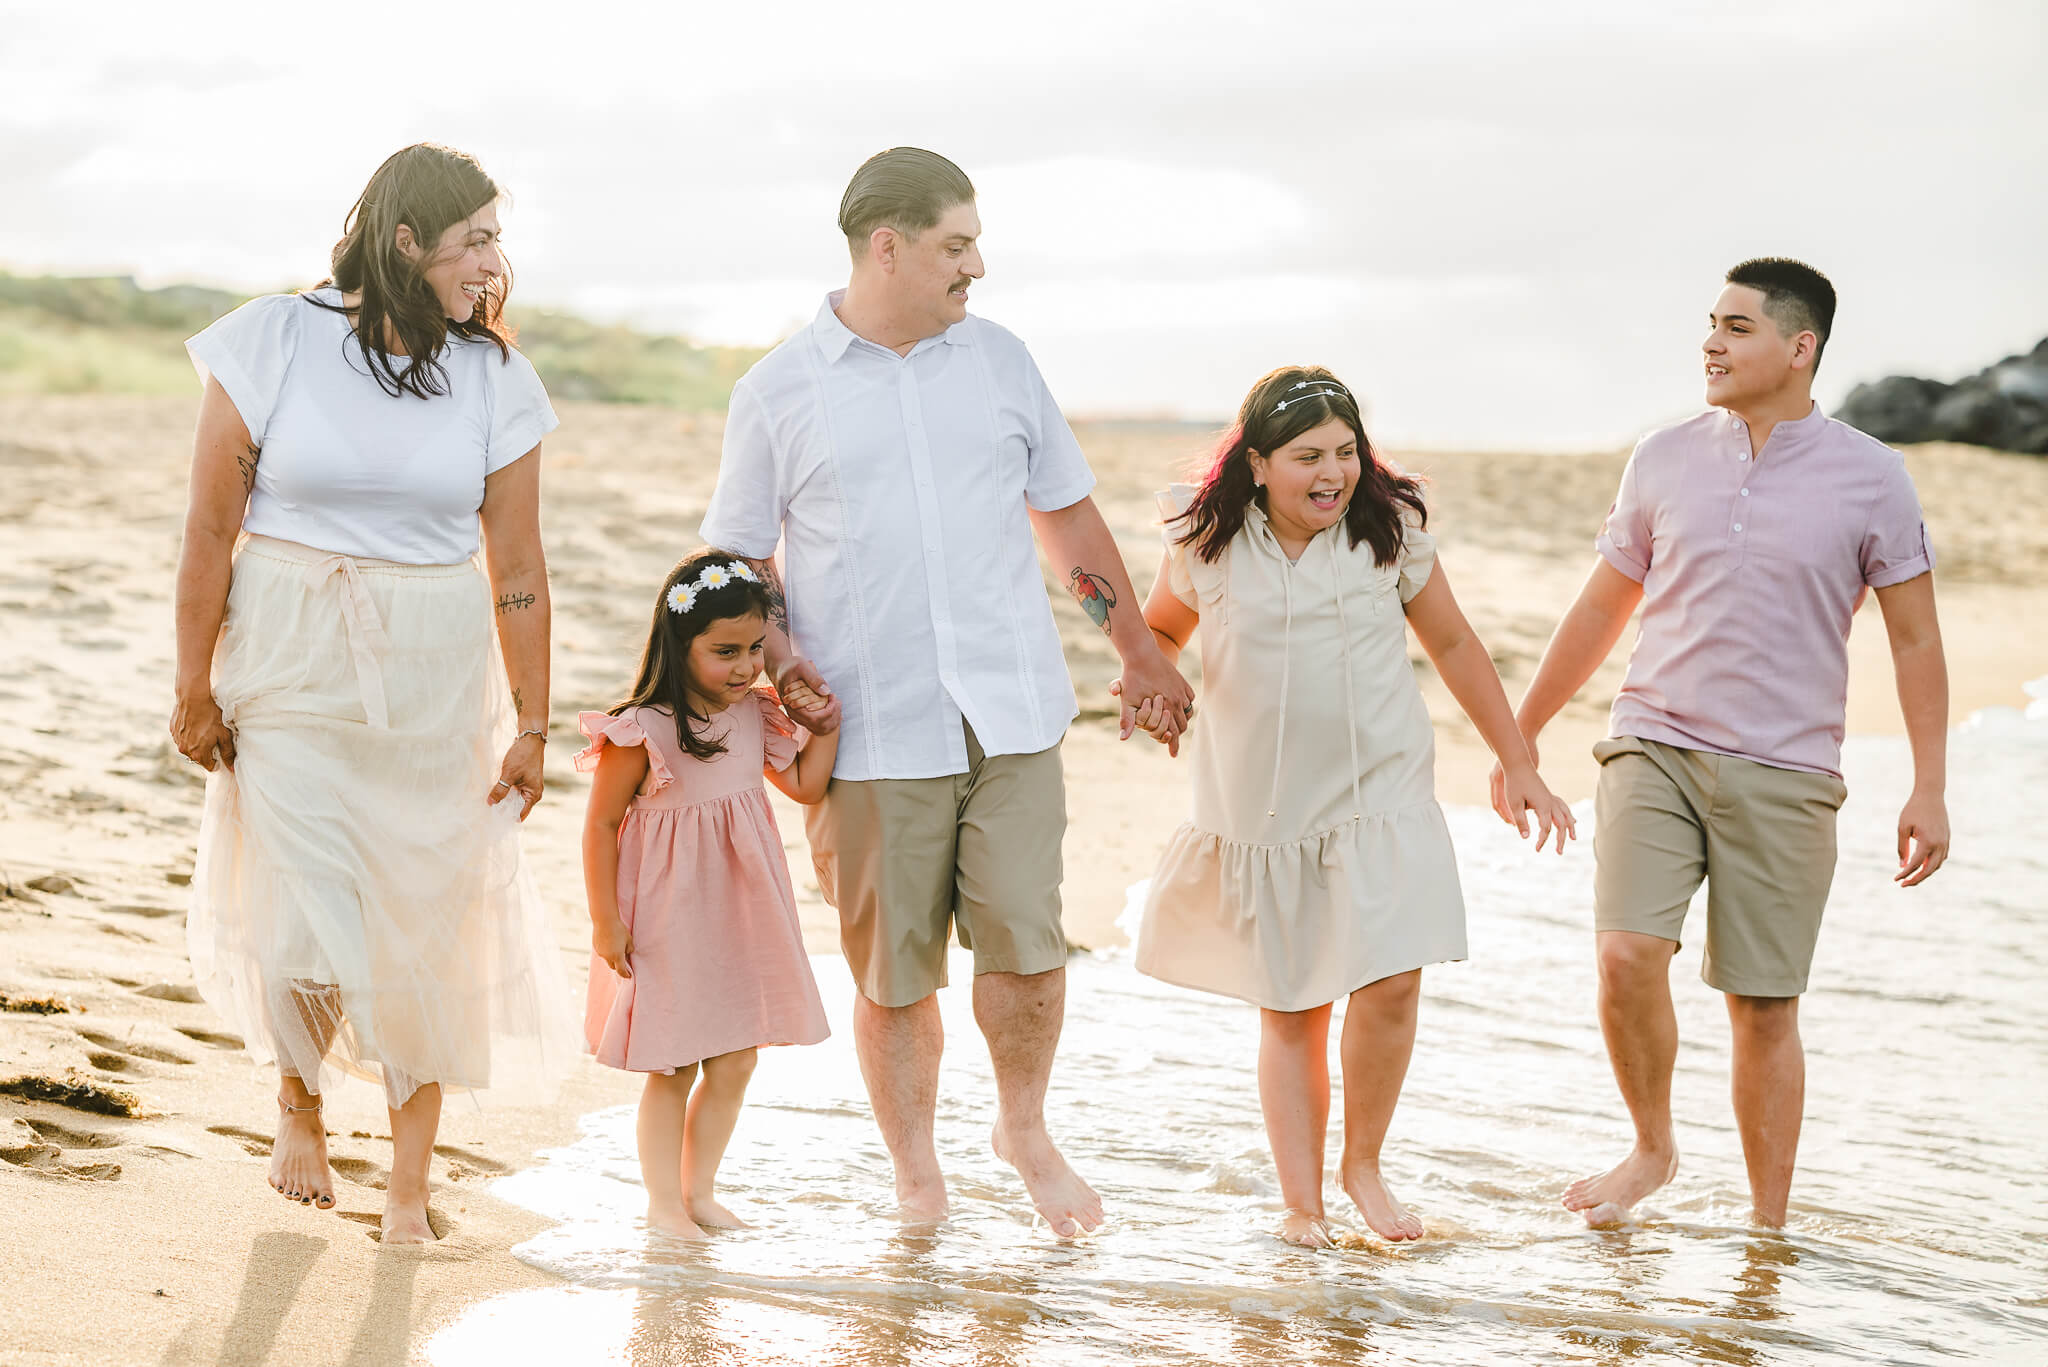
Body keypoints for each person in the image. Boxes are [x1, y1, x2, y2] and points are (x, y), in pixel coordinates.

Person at [699, 147, 1194, 1237]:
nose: (977, 265)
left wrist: (1138, 649)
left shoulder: (1001, 362)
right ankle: (916, 1174)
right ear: (889, 245)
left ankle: (1022, 1128)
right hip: (870, 730)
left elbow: (1064, 515)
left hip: (1011, 708)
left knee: (1028, 944)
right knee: (895, 973)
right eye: (956, 245)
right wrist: (781, 666)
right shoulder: (778, 388)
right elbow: (738, 565)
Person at [168, 143, 575, 1244]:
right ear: (406, 243)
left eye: (497, 235)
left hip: (436, 666)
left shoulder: (494, 376)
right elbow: (212, 526)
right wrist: (191, 680)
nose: (494, 259)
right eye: (475, 237)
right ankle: (298, 1106)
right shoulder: (274, 338)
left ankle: (406, 1184)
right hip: (291, 649)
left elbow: (521, 568)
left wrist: (533, 723)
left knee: (422, 911)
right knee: (307, 894)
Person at [1495, 258, 1951, 1228]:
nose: (1710, 341)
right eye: (1709, 322)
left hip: (1787, 769)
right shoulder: (1660, 455)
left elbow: (1913, 638)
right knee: (1624, 953)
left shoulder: (1873, 475)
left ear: (1799, 348)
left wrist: (1927, 785)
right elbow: (1600, 604)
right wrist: (1519, 732)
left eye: (1735, 327)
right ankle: (1651, 1145)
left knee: (1762, 1005)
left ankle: (1766, 1236)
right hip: (1653, 739)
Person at [1126, 365, 1576, 1247]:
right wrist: (1153, 686)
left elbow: (1452, 641)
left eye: (1345, 451)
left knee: (1392, 978)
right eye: (1308, 456)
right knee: (1293, 1004)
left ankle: (1362, 1165)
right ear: (1258, 464)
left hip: (1381, 795)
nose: (1331, 471)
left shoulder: (1387, 535)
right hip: (1265, 811)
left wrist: (1516, 759)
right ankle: (1303, 1205)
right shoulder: (1208, 546)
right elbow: (1158, 636)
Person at [577, 550, 836, 1239]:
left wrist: (826, 730)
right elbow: (601, 823)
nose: (747, 665)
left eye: (755, 648)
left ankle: (700, 1192)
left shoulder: (756, 713)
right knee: (673, 1062)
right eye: (725, 651)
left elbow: (807, 786)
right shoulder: (644, 728)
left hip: (740, 914)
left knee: (736, 1058)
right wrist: (606, 920)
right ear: (679, 642)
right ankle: (663, 1204)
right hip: (665, 914)